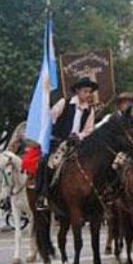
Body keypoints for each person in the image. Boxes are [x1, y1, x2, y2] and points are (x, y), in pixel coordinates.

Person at [34, 77, 98, 209]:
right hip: (58, 142)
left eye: (90, 92)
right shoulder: (65, 102)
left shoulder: (89, 110)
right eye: (85, 91)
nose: (88, 95)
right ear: (78, 91)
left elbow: (89, 129)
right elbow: (51, 117)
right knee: (44, 163)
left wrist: (78, 136)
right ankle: (43, 195)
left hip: (77, 144)